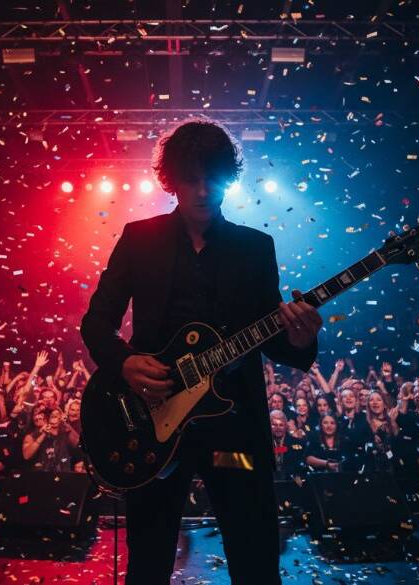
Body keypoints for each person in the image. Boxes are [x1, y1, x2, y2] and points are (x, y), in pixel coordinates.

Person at [80, 120, 321, 585]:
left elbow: (272, 338)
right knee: (148, 562)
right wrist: (124, 361)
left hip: (234, 433)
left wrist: (300, 338)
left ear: (229, 177)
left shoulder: (255, 248)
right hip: (153, 424)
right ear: (171, 181)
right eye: (191, 179)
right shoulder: (139, 238)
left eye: (213, 178)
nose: (204, 190)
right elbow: (95, 322)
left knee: (255, 557)